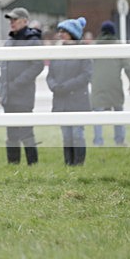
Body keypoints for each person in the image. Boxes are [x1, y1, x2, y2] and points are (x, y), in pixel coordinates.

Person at [0, 7, 44, 165]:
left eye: (15, 19)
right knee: (11, 133)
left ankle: (32, 164)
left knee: (26, 132)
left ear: (25, 21)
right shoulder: (9, 41)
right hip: (9, 95)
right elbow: (4, 69)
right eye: (10, 20)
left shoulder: (33, 41)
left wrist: (16, 84)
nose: (11, 23)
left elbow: (37, 65)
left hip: (23, 95)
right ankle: (13, 165)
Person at [47, 17, 92, 166]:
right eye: (60, 31)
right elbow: (50, 75)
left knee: (77, 134)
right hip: (61, 100)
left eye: (64, 31)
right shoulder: (57, 52)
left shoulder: (83, 52)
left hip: (77, 100)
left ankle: (79, 164)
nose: (60, 34)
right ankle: (69, 164)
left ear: (72, 33)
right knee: (66, 135)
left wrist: (66, 86)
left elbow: (86, 75)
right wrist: (54, 86)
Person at [91, 20, 130, 146]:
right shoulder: (119, 46)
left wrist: (92, 80)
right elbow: (128, 67)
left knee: (97, 115)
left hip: (98, 85)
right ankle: (119, 140)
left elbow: (88, 66)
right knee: (118, 112)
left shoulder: (94, 46)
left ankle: (98, 141)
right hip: (114, 85)